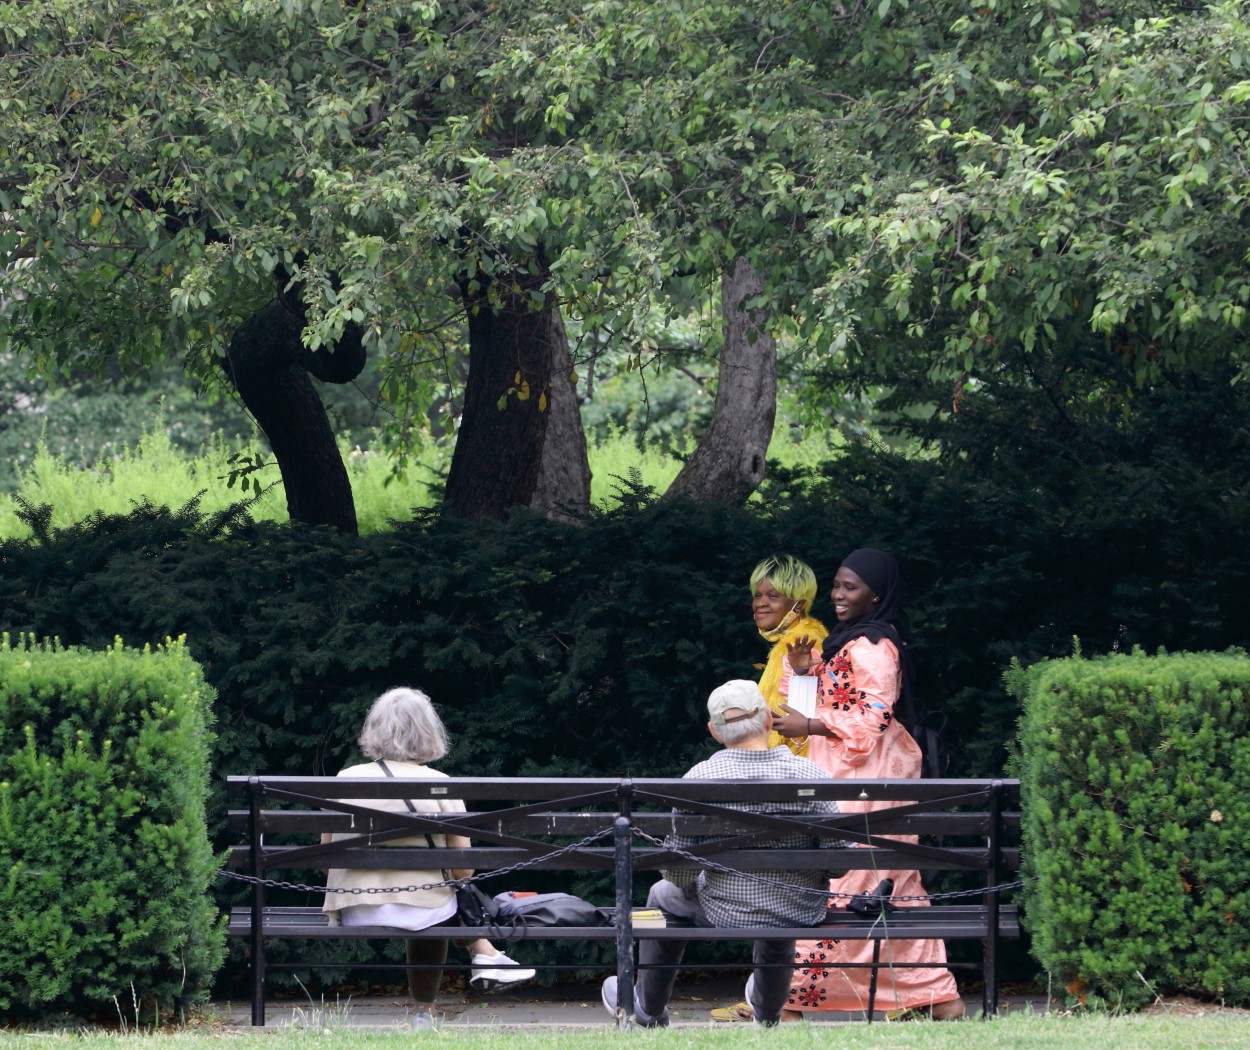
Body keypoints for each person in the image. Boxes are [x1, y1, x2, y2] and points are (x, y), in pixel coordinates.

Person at [742, 548, 965, 1021]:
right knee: (871, 882)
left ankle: (793, 999)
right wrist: (803, 671)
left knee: (856, 880)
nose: (839, 595)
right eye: (837, 585)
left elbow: (873, 717)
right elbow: (801, 708)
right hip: (842, 772)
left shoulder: (877, 647)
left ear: (877, 594)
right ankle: (932, 996)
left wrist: (813, 727)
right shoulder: (848, 640)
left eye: (851, 587)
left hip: (871, 776)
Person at [600, 680, 844, 1028]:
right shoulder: (811, 774)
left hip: (724, 908)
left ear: (715, 732)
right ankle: (769, 1016)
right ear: (766, 721)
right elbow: (837, 866)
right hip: (797, 908)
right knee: (778, 910)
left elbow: (680, 874)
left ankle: (649, 1008)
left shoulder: (699, 780)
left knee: (661, 894)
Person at [322, 687, 535, 1029]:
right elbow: (462, 870)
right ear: (427, 732)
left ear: (374, 729)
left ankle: (485, 956)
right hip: (425, 909)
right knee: (436, 904)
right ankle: (438, 999)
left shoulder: (346, 779)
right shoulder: (440, 784)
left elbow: (326, 858)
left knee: (431, 907)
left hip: (354, 908)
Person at [749, 554, 830, 758]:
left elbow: (796, 721)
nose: (761, 603)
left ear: (799, 604)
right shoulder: (799, 638)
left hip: (791, 768)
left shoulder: (801, 643)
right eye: (757, 595)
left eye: (773, 596)